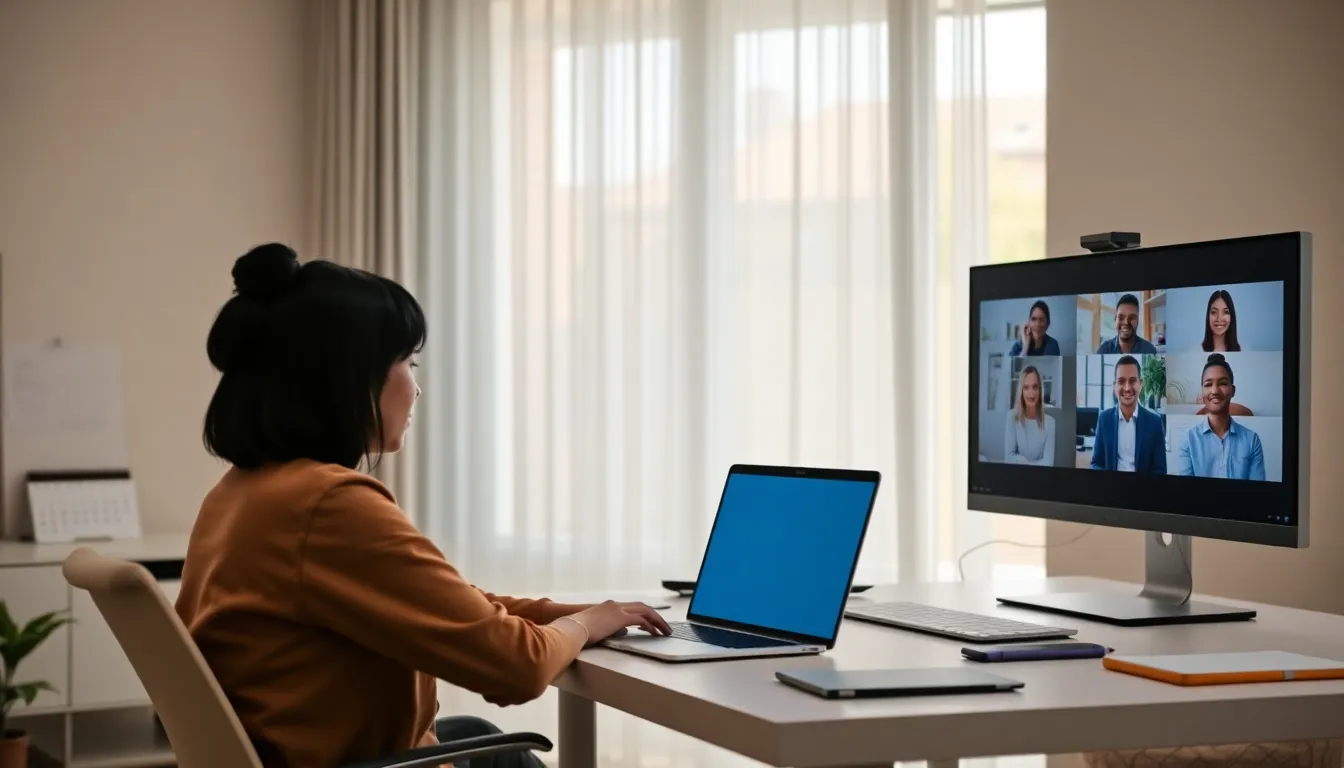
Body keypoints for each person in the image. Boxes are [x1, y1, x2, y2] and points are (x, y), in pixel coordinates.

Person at [175, 244, 671, 768]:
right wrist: (587, 626)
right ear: (346, 377)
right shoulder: (327, 505)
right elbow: (516, 668)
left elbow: (442, 602)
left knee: (483, 737)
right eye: (408, 364)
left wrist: (567, 613)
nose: (417, 388)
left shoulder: (243, 492)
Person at [1175, 354, 1265, 480]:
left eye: (1222, 383)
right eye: (1208, 384)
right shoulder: (1189, 440)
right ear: (1202, 392)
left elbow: (1258, 493)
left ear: (1232, 390)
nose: (1215, 391)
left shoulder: (1252, 440)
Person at [1089, 355, 1166, 473]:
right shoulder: (1104, 419)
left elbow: (1160, 469)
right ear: (1115, 386)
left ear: (1141, 384)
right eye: (1121, 381)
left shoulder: (1155, 422)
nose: (1127, 388)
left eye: (1132, 381)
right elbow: (1096, 463)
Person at [1004, 365, 1056, 466]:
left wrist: (1021, 461)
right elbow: (1008, 457)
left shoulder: (1051, 422)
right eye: (1026, 387)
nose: (1031, 393)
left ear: (1040, 390)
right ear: (1021, 391)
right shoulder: (1011, 417)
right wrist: (1033, 463)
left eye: (1035, 387)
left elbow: (1049, 463)